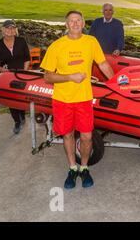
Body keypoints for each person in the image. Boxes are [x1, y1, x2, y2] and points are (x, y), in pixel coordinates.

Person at [40, 11, 114, 190]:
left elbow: (103, 64)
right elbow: (48, 77)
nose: (75, 23)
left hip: (84, 99)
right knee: (67, 134)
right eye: (71, 21)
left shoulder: (91, 42)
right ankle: (73, 168)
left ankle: (84, 167)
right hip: (63, 99)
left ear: (83, 24)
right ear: (66, 25)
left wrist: (115, 85)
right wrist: (70, 77)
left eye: (78, 20)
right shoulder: (56, 46)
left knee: (87, 137)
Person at [0, 20, 30, 134]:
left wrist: (24, 72)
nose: (10, 30)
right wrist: (2, 70)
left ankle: (22, 115)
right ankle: (17, 121)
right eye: (8, 28)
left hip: (21, 74)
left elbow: (27, 58)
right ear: (3, 30)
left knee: (21, 97)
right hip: (7, 76)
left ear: (15, 30)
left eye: (13, 28)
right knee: (11, 99)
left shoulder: (21, 41)